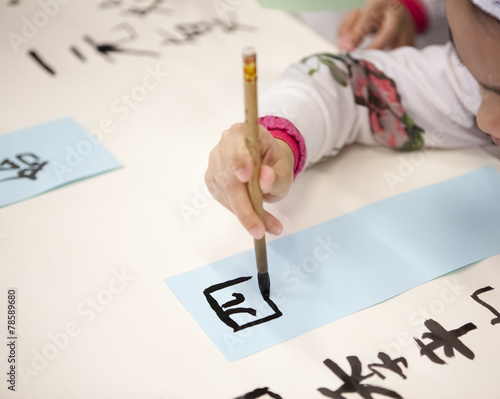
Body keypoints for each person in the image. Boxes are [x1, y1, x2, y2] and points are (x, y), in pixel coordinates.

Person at [205, 0, 500, 240]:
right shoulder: (473, 83)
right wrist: (280, 141)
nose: (485, 120)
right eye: (463, 61)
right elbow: (345, 84)